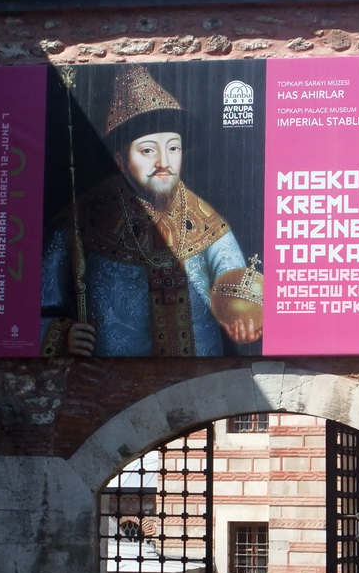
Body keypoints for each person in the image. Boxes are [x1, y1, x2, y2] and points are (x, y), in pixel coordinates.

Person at [41, 64, 263, 357]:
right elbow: (33, 310)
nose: (163, 162)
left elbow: (240, 287)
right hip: (107, 385)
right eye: (147, 150)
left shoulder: (207, 221)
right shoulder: (80, 221)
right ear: (120, 161)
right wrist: (63, 335)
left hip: (203, 381)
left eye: (173, 148)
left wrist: (244, 318)